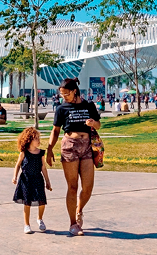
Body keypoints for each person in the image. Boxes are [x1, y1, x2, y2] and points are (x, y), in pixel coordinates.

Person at [47, 78, 101, 236]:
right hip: (70, 146)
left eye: (66, 94)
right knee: (72, 187)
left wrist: (93, 124)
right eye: (62, 94)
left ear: (75, 91)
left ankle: (79, 210)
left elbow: (98, 124)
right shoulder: (62, 108)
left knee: (88, 187)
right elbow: (55, 130)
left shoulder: (88, 105)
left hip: (87, 146)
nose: (64, 97)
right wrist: (49, 149)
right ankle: (73, 224)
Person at [13, 127, 52, 234]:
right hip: (26, 180)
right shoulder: (24, 152)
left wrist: (47, 181)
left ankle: (40, 219)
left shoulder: (41, 153)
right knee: (27, 202)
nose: (39, 141)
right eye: (36, 138)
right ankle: (27, 225)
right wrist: (15, 177)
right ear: (29, 140)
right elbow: (18, 165)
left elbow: (43, 168)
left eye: (39, 138)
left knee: (42, 201)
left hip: (38, 179)